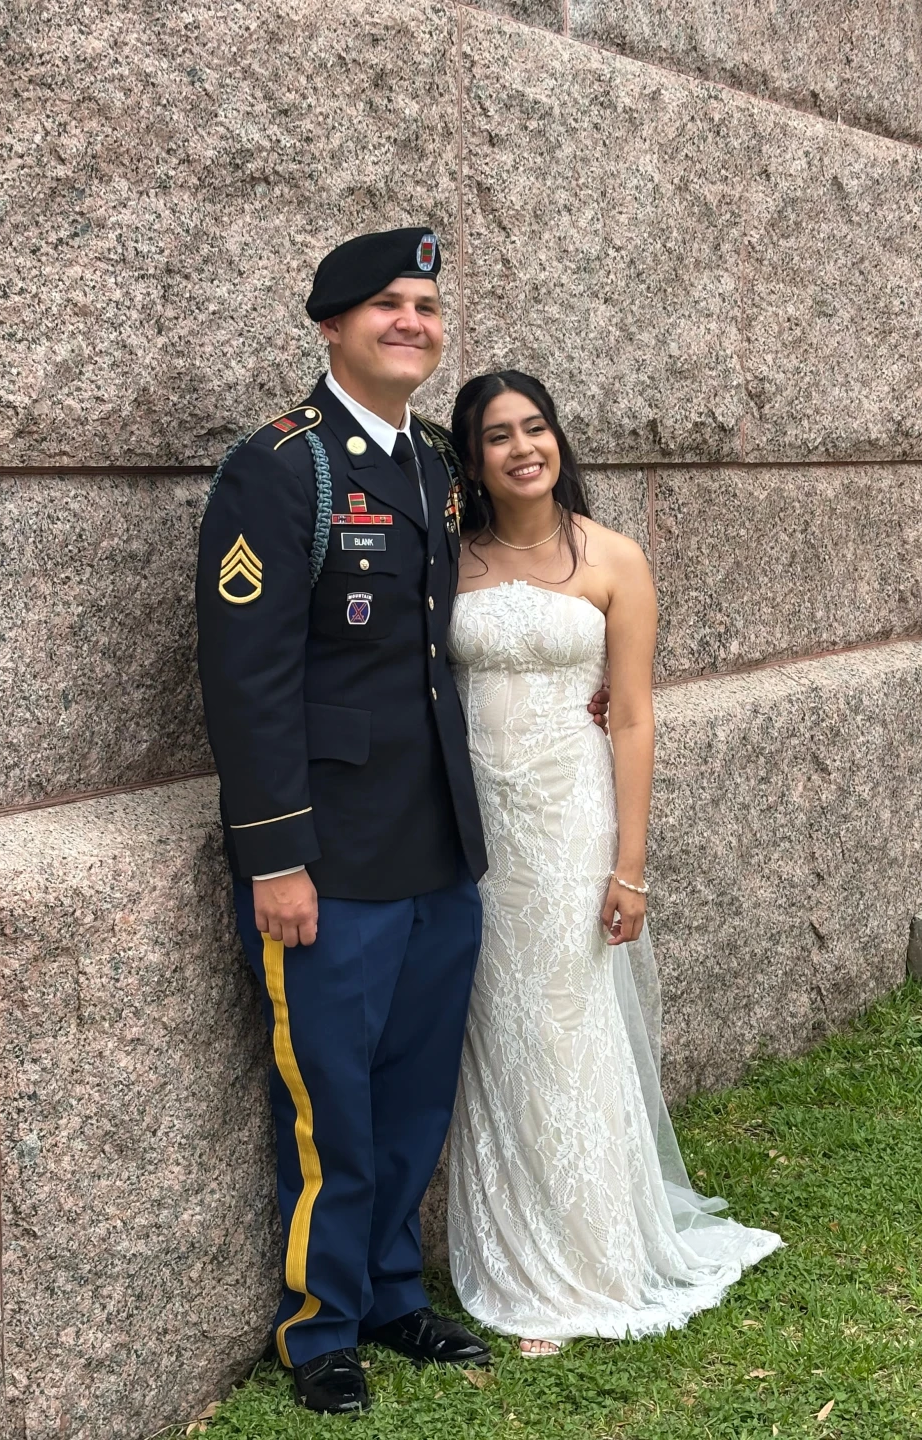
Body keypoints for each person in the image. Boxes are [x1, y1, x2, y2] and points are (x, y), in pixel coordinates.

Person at [196, 231, 609, 1413]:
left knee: (416, 1088)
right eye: (386, 304)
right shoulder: (280, 468)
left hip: (438, 840)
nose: (412, 323)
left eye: (426, 306)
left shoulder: (433, 465)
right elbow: (247, 679)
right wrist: (276, 854)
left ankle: (388, 1294)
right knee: (329, 1099)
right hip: (328, 851)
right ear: (331, 326)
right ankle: (320, 1326)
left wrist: (575, 672)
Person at [445, 370, 783, 1356]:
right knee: (496, 1031)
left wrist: (629, 869)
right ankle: (513, 1249)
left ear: (558, 439)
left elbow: (631, 717)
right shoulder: (446, 560)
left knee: (564, 1025)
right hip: (472, 828)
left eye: (535, 427)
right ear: (472, 460)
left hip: (570, 824)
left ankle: (586, 1265)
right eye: (497, 436)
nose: (522, 448)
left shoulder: (615, 559)